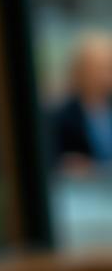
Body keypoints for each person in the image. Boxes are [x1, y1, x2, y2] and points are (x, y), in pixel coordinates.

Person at [49, 29, 112, 175]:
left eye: (107, 67)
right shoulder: (61, 118)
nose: (103, 75)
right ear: (79, 71)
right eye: (96, 68)